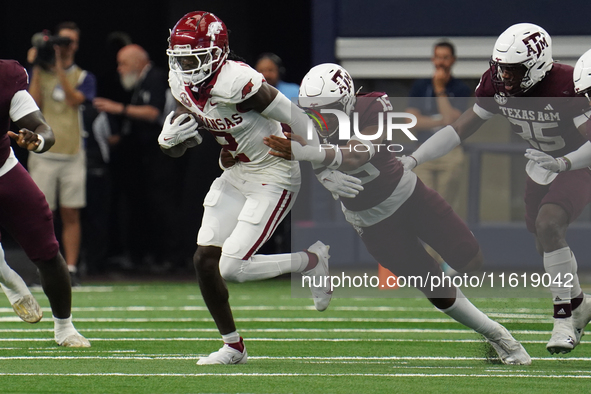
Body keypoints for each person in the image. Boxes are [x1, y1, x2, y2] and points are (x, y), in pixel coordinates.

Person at [263, 63, 531, 365]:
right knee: (435, 289)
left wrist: (314, 156)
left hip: (408, 196)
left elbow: (354, 155)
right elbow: (307, 154)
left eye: (328, 111)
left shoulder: (375, 106)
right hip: (370, 220)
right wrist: (324, 175)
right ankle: (499, 337)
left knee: (472, 260)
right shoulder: (305, 120)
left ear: (348, 101)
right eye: (313, 112)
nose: (320, 119)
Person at [398, 23, 591, 355]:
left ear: (539, 64)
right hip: (539, 165)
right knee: (542, 239)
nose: (505, 77)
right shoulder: (495, 85)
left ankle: (565, 319)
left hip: (576, 163)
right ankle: (579, 303)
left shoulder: (566, 85)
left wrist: (564, 164)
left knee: (549, 225)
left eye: (513, 70)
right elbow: (459, 129)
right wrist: (414, 159)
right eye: (500, 68)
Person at [159, 11, 336, 365]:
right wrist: (168, 141)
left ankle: (312, 261)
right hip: (237, 171)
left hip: (274, 173)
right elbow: (185, 140)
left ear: (217, 53)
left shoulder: (239, 82)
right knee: (204, 261)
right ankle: (233, 346)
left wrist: (310, 152)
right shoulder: (180, 81)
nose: (187, 65)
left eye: (193, 57)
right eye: (180, 58)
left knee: (232, 267)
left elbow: (300, 118)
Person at [1, 58, 89, 347]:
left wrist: (38, 140)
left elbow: (43, 127)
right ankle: (9, 279)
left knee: (48, 252)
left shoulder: (5, 76)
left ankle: (64, 327)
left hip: (4, 170)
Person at [93, 44, 176, 271]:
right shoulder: (142, 82)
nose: (120, 69)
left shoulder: (156, 78)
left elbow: (152, 112)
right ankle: (152, 254)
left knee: (162, 203)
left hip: (163, 154)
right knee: (147, 203)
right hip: (147, 156)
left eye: (123, 64)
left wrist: (117, 108)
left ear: (138, 62)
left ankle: (170, 257)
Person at [27, 22, 97, 284]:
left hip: (72, 153)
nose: (66, 47)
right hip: (43, 153)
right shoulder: (40, 75)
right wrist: (37, 65)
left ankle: (70, 268)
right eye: (62, 41)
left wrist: (58, 68)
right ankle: (44, 266)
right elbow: (33, 104)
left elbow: (72, 99)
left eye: (70, 42)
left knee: (71, 213)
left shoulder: (84, 76)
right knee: (42, 214)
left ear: (76, 46)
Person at [406, 40, 471, 213]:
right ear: (432, 59)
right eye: (438, 57)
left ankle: (443, 240)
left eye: (445, 57)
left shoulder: (461, 89)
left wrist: (440, 89)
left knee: (445, 206)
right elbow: (411, 122)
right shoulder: (420, 86)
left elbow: (452, 122)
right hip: (423, 151)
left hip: (450, 154)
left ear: (453, 60)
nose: (441, 62)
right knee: (422, 203)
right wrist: (441, 121)